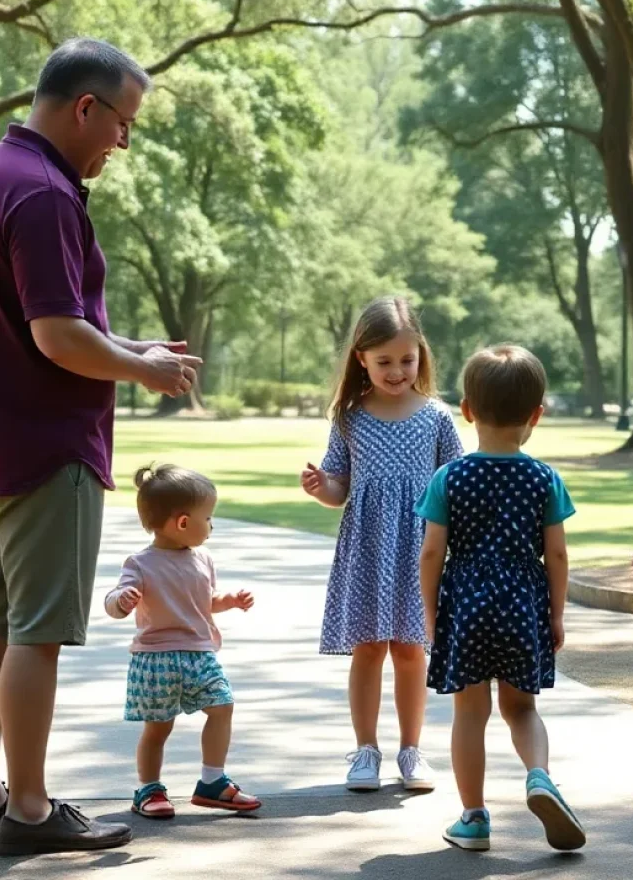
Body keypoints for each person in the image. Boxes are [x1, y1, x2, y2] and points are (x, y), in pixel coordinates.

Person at [0, 39, 201, 856]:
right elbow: (55, 337)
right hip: (48, 449)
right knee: (35, 634)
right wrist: (141, 370)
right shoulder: (47, 193)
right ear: (87, 108)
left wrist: (128, 348)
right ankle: (31, 811)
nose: (123, 141)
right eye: (124, 123)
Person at [417, 344, 586, 853]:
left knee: (471, 713)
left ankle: (474, 818)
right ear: (537, 414)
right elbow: (556, 556)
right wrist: (555, 615)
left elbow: (430, 555)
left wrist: (430, 618)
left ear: (466, 410)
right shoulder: (543, 478)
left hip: (466, 607)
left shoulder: (449, 477)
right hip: (522, 605)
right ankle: (539, 776)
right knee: (521, 708)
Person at [301, 296, 463, 793]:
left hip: (419, 547)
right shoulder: (349, 416)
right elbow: (340, 487)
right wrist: (320, 486)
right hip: (368, 547)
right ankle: (365, 750)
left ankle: (412, 750)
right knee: (368, 649)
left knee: (412, 650)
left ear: (421, 355)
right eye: (384, 361)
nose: (397, 371)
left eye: (407, 360)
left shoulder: (436, 416)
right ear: (361, 359)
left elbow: (456, 481)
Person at [105, 466, 261, 820]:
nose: (212, 525)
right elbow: (113, 602)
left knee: (222, 706)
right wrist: (122, 599)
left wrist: (229, 600)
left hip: (200, 653)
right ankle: (149, 788)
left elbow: (205, 601)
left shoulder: (203, 558)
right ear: (182, 522)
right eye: (208, 517)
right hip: (155, 658)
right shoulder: (140, 564)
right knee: (158, 726)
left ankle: (212, 780)